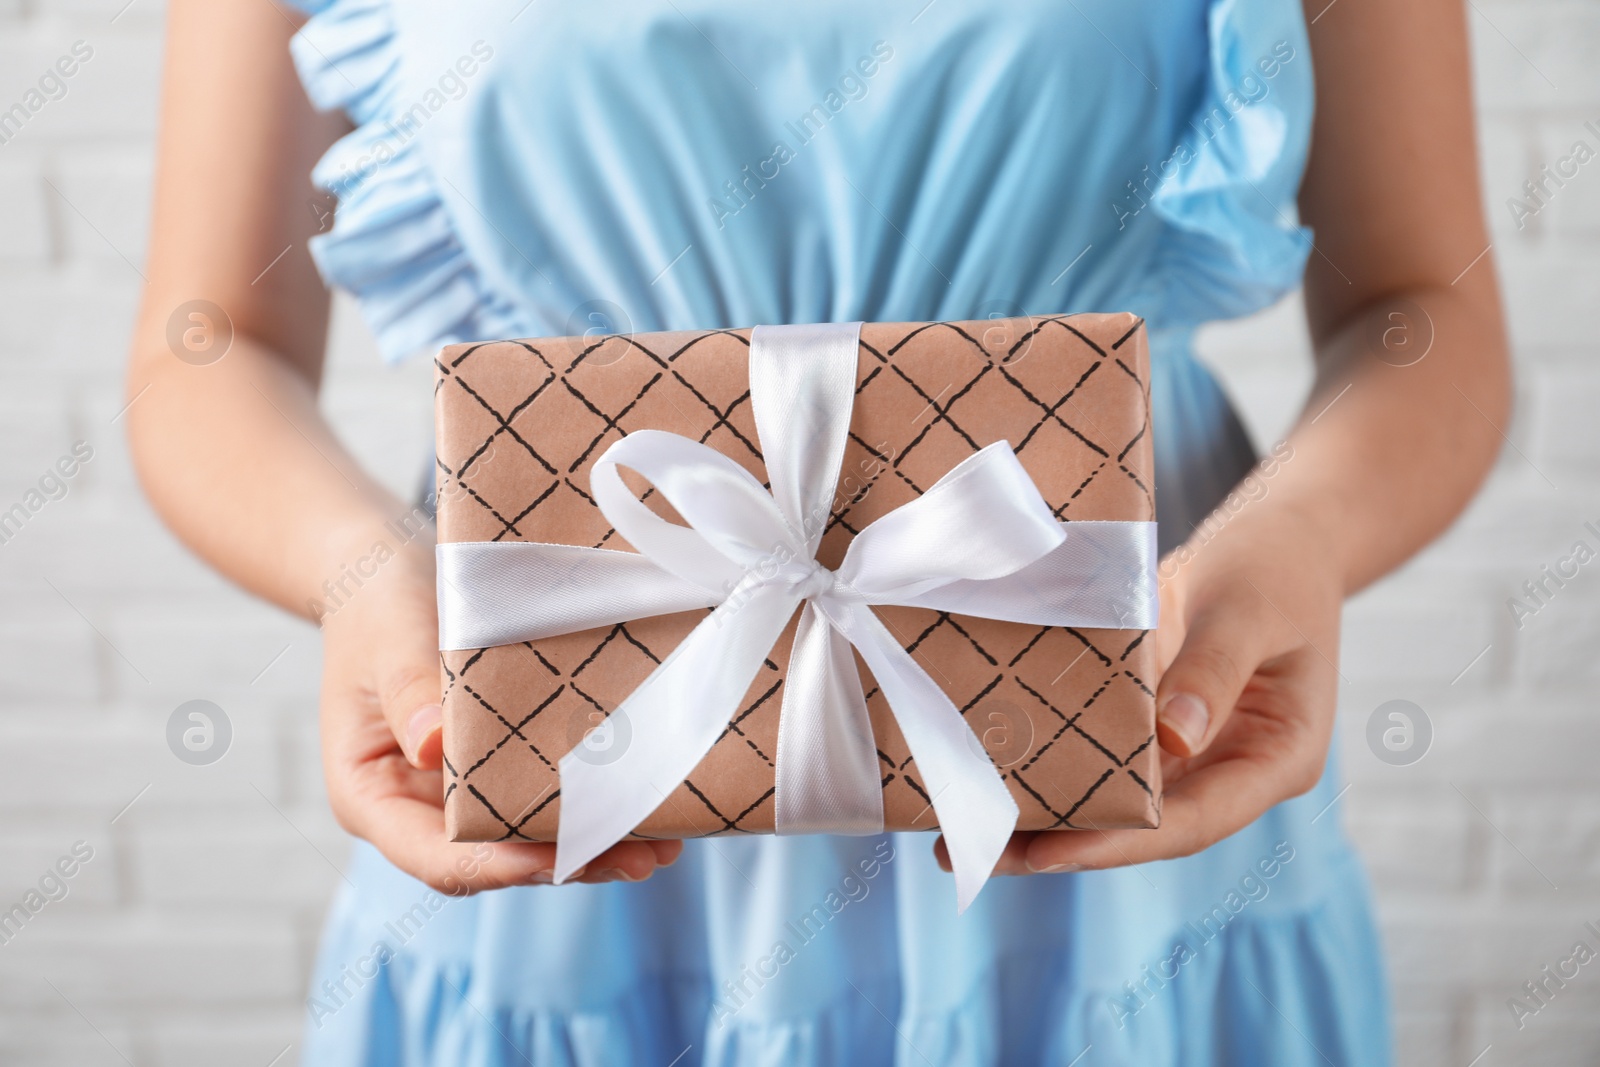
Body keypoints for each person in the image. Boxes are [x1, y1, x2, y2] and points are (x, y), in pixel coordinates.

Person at [125, 0, 1509, 1063]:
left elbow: (1425, 310)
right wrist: (361, 581)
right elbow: (208, 345)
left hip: (1138, 769)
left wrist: (1303, 542)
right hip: (563, 807)